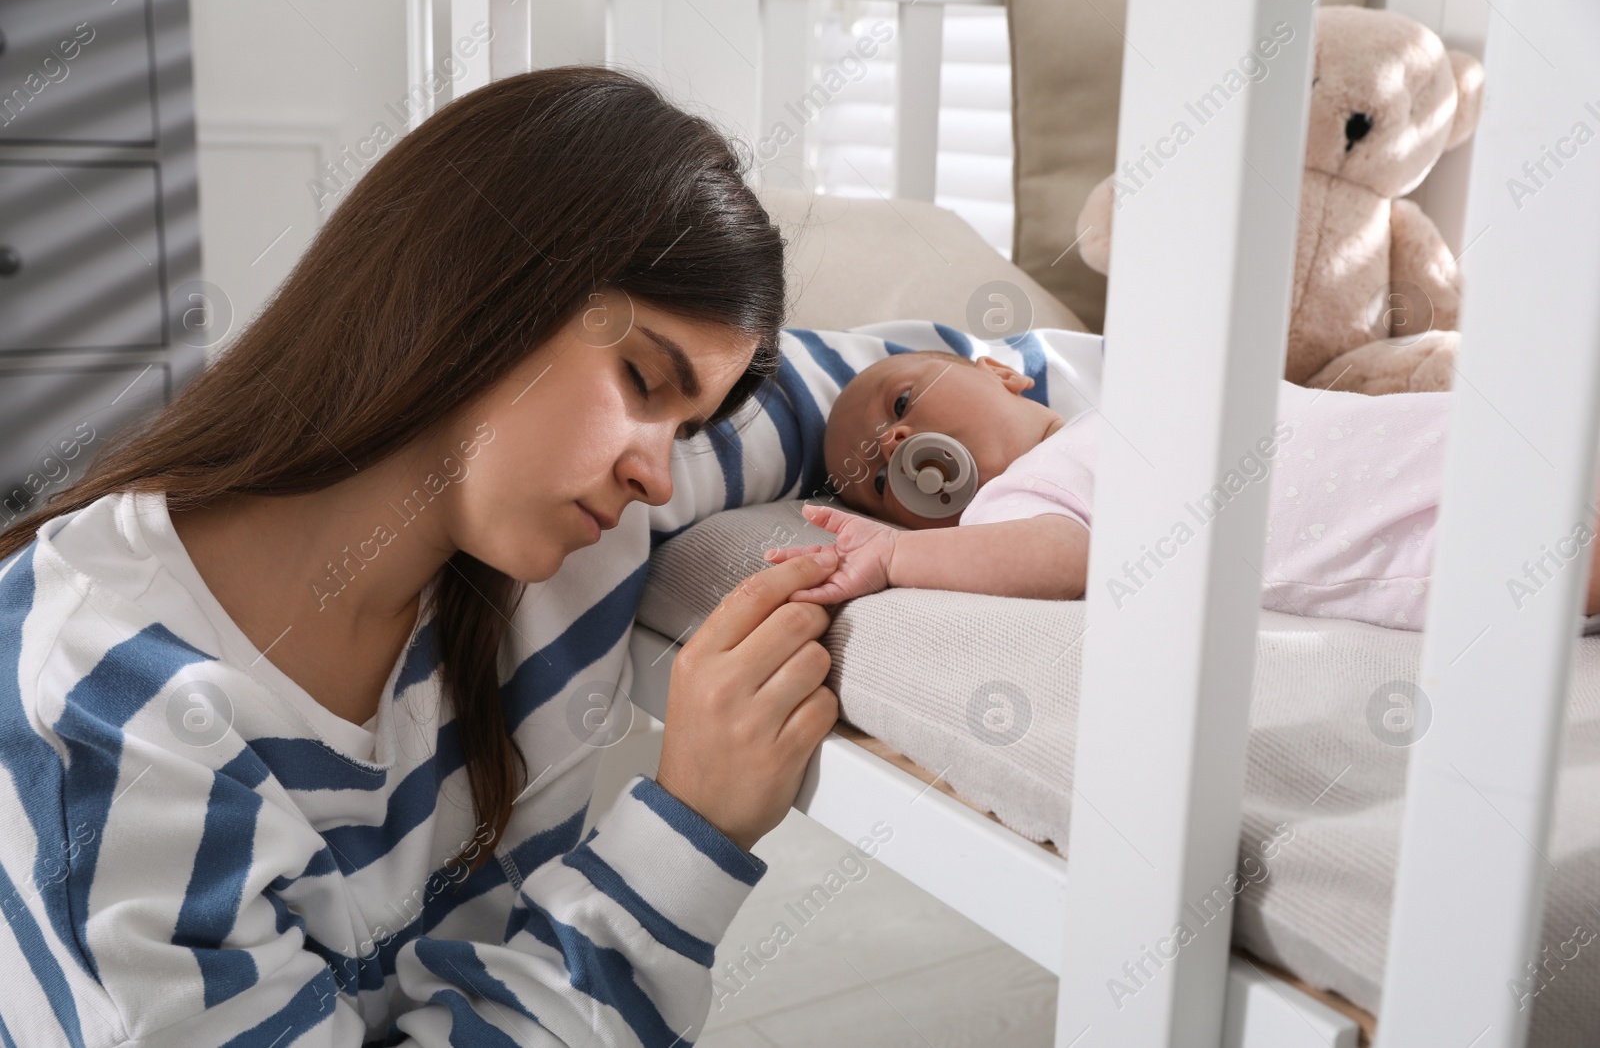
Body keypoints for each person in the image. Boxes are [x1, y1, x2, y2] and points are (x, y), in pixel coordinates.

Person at [0, 66, 843, 1046]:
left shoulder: (565, 499)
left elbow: (920, 387)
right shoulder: (106, 719)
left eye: (689, 423)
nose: (660, 472)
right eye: (641, 378)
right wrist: (687, 840)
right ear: (479, 288)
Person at [766, 349, 1600, 634]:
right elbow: (1062, 560)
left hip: (1436, 433)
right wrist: (900, 555)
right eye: (877, 477)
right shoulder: (1014, 501)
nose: (897, 444)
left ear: (1001, 371)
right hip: (1420, 530)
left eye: (902, 404)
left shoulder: (1120, 402)